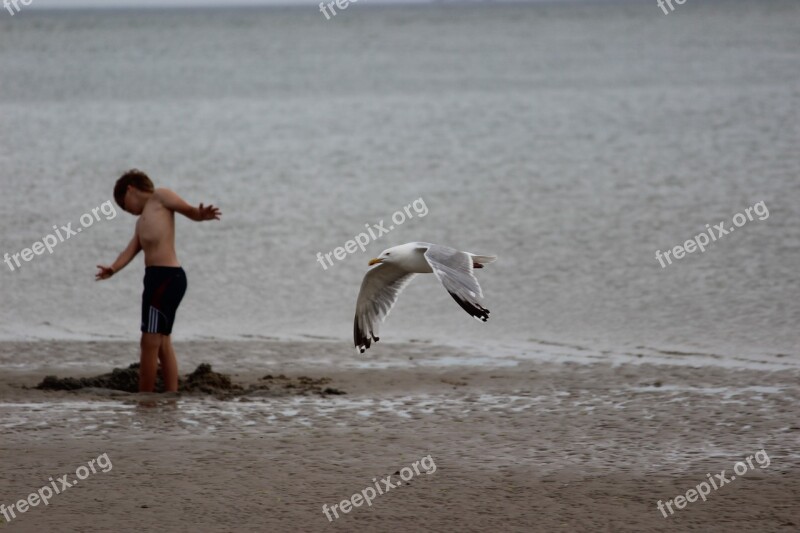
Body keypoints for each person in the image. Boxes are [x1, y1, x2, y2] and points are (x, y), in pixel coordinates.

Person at [96, 169, 221, 392]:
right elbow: (131, 250)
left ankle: (146, 398)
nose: (127, 211)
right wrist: (113, 268)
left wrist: (201, 215)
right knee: (162, 342)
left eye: (124, 205)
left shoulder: (161, 197)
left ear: (130, 189)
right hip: (155, 278)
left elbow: (189, 210)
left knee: (149, 341)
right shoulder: (140, 223)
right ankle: (171, 394)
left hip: (167, 276)